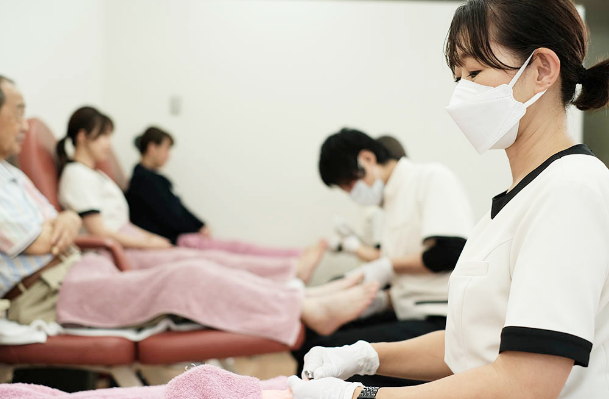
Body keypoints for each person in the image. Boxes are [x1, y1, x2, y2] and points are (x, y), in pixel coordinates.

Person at [288, 0, 609, 398]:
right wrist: (366, 355)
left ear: (542, 70)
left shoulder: (571, 190)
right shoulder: (511, 204)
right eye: (458, 78)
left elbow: (526, 384)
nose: (461, 95)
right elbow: (468, 347)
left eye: (474, 71)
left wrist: (363, 395)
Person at [0, 75, 379, 341]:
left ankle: (300, 293)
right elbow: (40, 241)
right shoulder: (61, 179)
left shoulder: (15, 176)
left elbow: (61, 222)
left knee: (197, 265)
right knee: (185, 276)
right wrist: (63, 224)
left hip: (76, 269)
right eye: (17, 112)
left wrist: (63, 221)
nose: (22, 125)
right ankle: (303, 303)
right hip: (46, 291)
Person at [56, 107, 325, 283]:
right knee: (206, 264)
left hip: (135, 243)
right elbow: (100, 232)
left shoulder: (97, 176)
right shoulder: (76, 176)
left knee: (219, 258)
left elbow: (126, 224)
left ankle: (291, 268)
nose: (109, 143)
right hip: (120, 253)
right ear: (82, 136)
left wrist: (154, 241)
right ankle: (290, 272)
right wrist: (154, 243)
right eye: (103, 136)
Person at [292, 129, 473, 386]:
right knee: (308, 337)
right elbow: (407, 279)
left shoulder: (431, 178)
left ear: (366, 159)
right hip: (402, 307)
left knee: (324, 355)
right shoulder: (388, 203)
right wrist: (376, 300)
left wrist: (387, 266)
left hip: (437, 320)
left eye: (349, 184)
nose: (350, 193)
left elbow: (450, 252)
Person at [125, 126, 317, 259]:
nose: (169, 155)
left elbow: (178, 209)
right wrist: (196, 229)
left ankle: (296, 256)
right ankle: (295, 259)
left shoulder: (156, 179)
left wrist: (201, 224)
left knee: (239, 249)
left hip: (184, 236)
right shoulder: (143, 180)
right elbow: (168, 216)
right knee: (238, 251)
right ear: (152, 148)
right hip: (178, 241)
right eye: (166, 148)